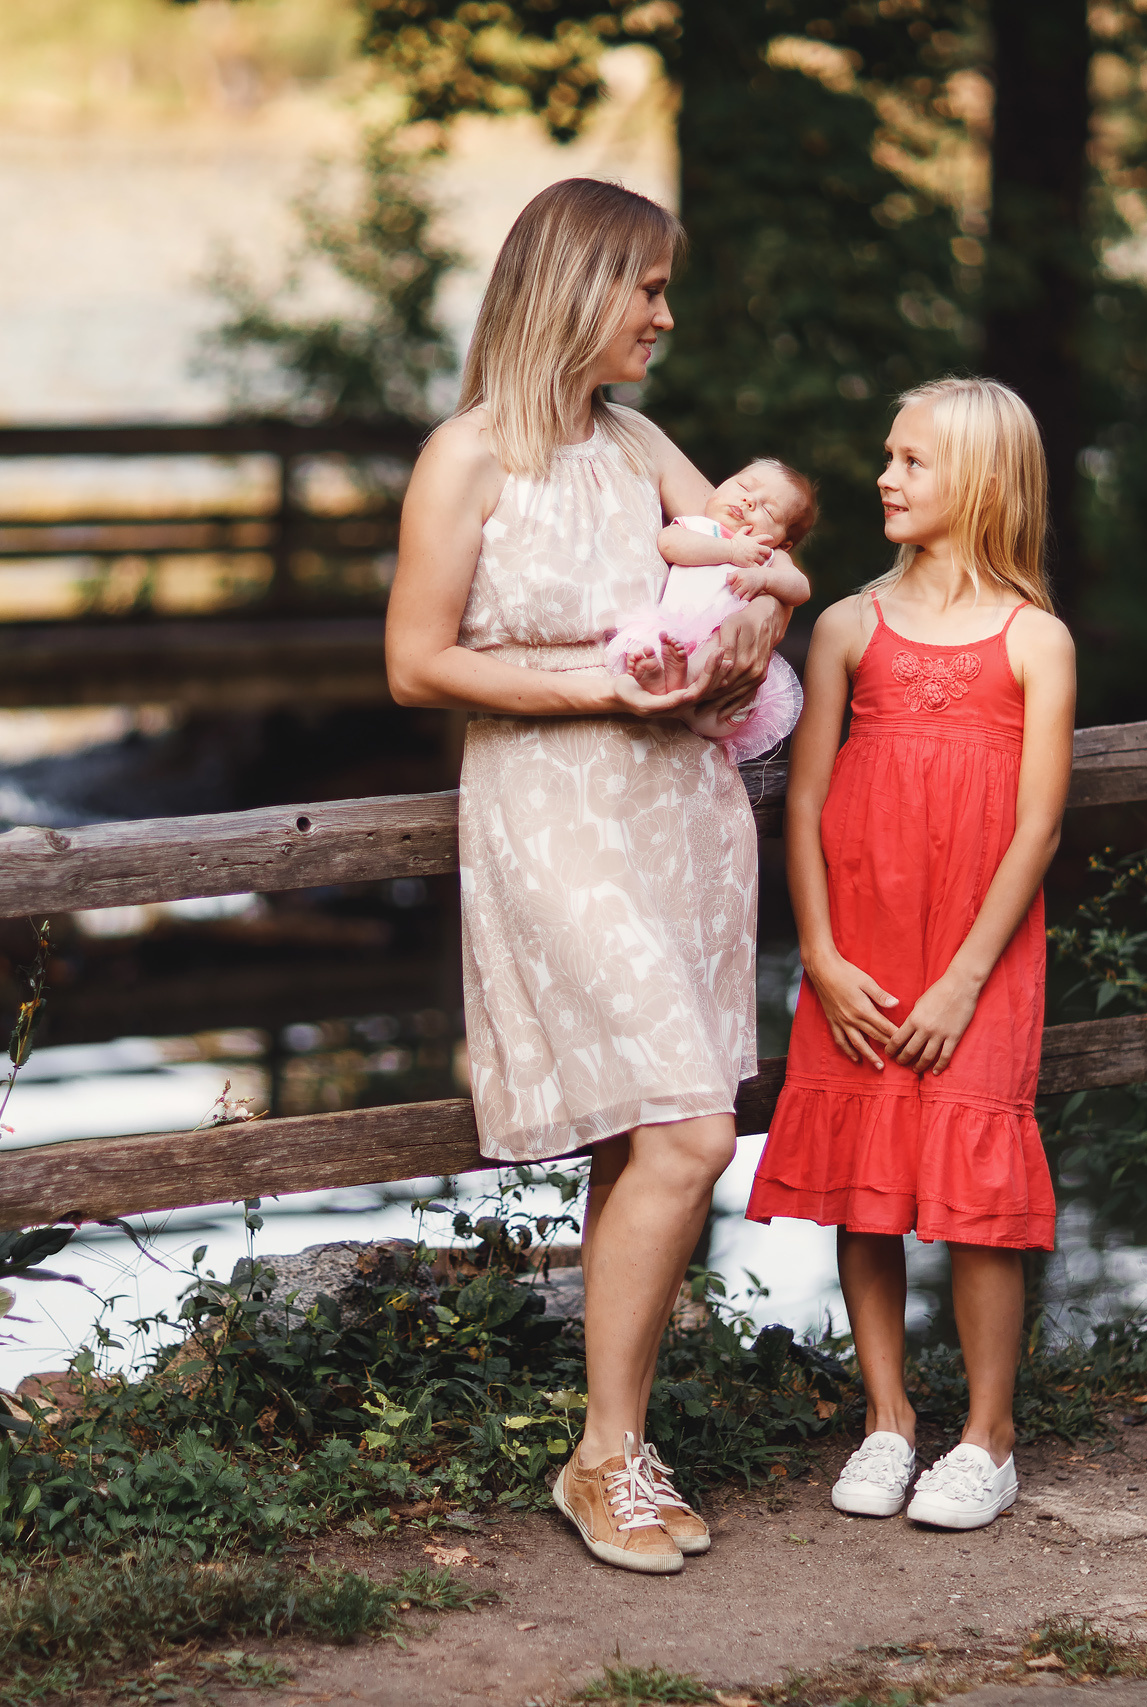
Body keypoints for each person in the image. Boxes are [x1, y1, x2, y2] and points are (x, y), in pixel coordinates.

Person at [385, 178, 806, 1575]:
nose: (665, 318)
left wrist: (747, 626)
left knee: (653, 1123)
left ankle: (619, 1438)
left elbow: (756, 560)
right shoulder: (469, 457)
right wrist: (597, 692)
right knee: (692, 1129)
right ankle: (603, 1456)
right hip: (555, 807)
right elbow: (417, 661)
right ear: (577, 286)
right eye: (648, 290)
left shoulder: (637, 445)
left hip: (683, 813)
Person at [745, 376, 1076, 1532]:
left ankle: (989, 1437)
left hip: (974, 959)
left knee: (978, 1197)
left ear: (979, 481)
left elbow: (1036, 825)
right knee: (868, 1185)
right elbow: (802, 806)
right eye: (888, 456)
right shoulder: (846, 626)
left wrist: (964, 979)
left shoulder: (1035, 640)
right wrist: (821, 960)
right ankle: (886, 1420)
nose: (884, 478)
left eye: (912, 461)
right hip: (862, 946)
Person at [603, 458, 816, 760]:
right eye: (744, 486)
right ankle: (667, 680)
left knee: (723, 653)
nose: (749, 501)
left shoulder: (769, 556)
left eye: (768, 509)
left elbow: (800, 589)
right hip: (674, 633)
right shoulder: (700, 527)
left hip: (720, 654)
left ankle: (689, 696)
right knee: (656, 654)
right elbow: (669, 544)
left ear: (784, 543)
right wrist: (731, 550)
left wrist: (764, 577)